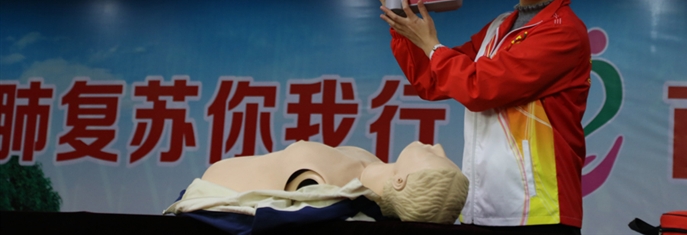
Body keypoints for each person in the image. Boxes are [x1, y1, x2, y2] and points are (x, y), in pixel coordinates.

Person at [378, 0, 591, 234]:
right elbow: (432, 81)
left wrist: (432, 45)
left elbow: (479, 89)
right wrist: (401, 23)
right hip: (483, 206)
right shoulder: (498, 27)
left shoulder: (564, 31)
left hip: (539, 213)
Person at [177, 140, 469, 224]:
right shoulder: (366, 169)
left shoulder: (325, 184)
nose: (438, 147)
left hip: (218, 183)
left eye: (435, 157)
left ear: (401, 181)